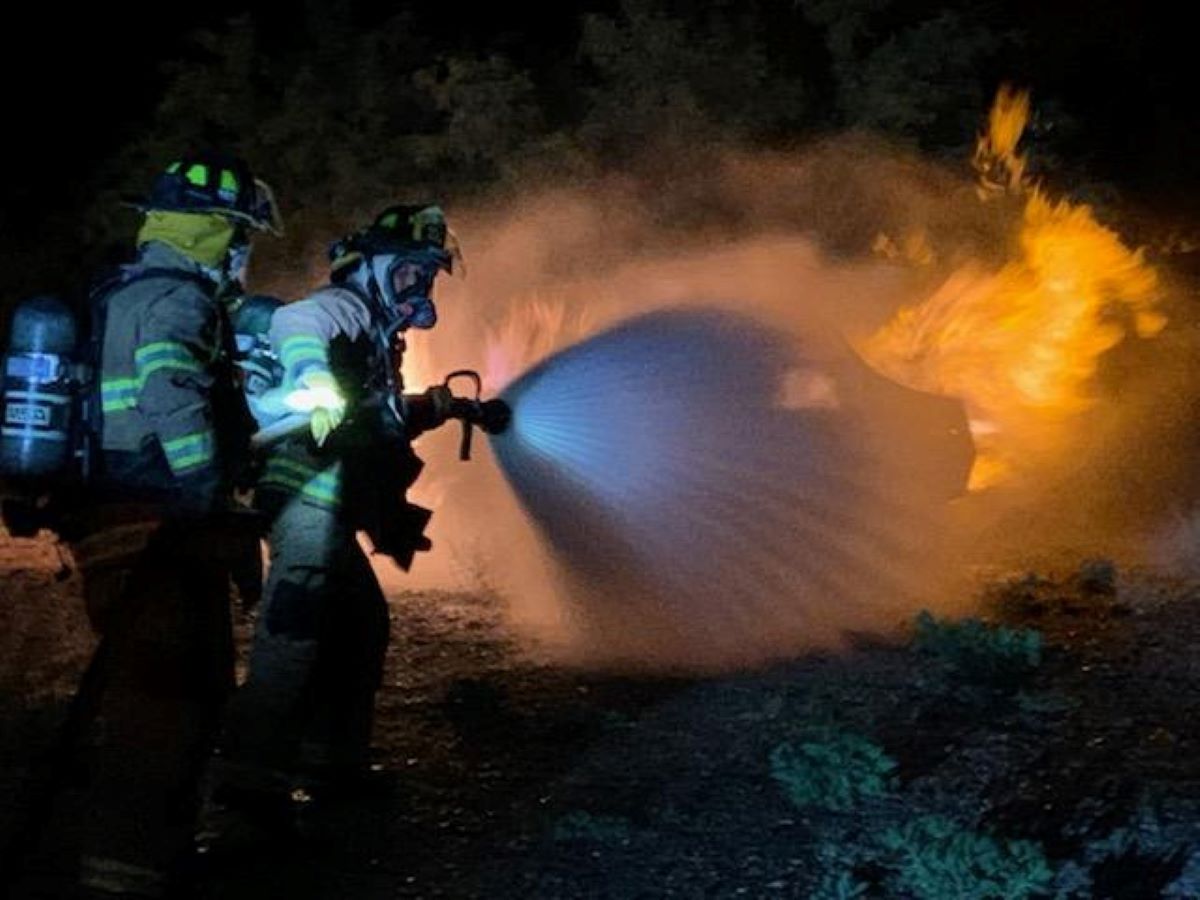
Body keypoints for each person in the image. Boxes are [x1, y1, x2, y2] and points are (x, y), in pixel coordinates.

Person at [211, 204, 507, 831]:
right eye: (408, 274)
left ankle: (331, 763)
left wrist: (440, 407)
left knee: (360, 622)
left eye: (426, 278)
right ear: (369, 267)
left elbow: (378, 414)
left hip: (329, 497)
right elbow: (297, 323)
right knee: (296, 622)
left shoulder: (375, 333)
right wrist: (312, 376)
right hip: (305, 494)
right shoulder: (343, 306)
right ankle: (250, 769)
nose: (419, 290)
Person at [60, 152, 282, 898]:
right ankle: (125, 868)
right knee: (161, 695)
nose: (244, 250)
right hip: (150, 520)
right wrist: (202, 486)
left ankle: (160, 849)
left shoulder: (129, 290)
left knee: (197, 684)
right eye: (237, 232)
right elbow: (171, 390)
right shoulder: (178, 297)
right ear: (207, 230)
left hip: (133, 516)